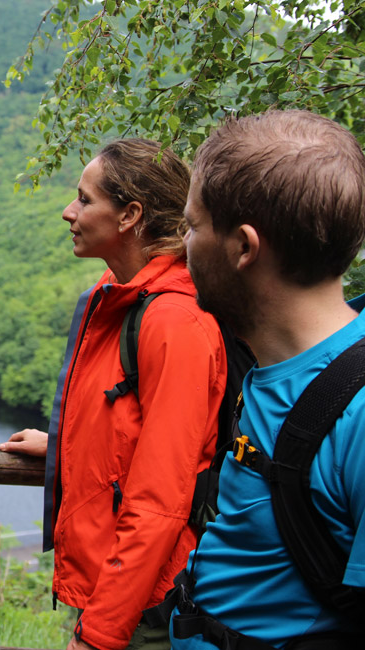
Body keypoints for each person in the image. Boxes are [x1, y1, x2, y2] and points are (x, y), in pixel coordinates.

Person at [0, 139, 228, 650]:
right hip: (121, 586)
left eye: (84, 200)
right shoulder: (123, 296)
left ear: (130, 215)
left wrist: (100, 634)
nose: (68, 212)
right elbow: (126, 427)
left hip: (149, 600)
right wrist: (63, 446)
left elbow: (161, 500)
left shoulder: (173, 323)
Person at [167, 111, 365, 648]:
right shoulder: (269, 361)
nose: (181, 246)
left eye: (190, 226)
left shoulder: (357, 415)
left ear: (243, 248)